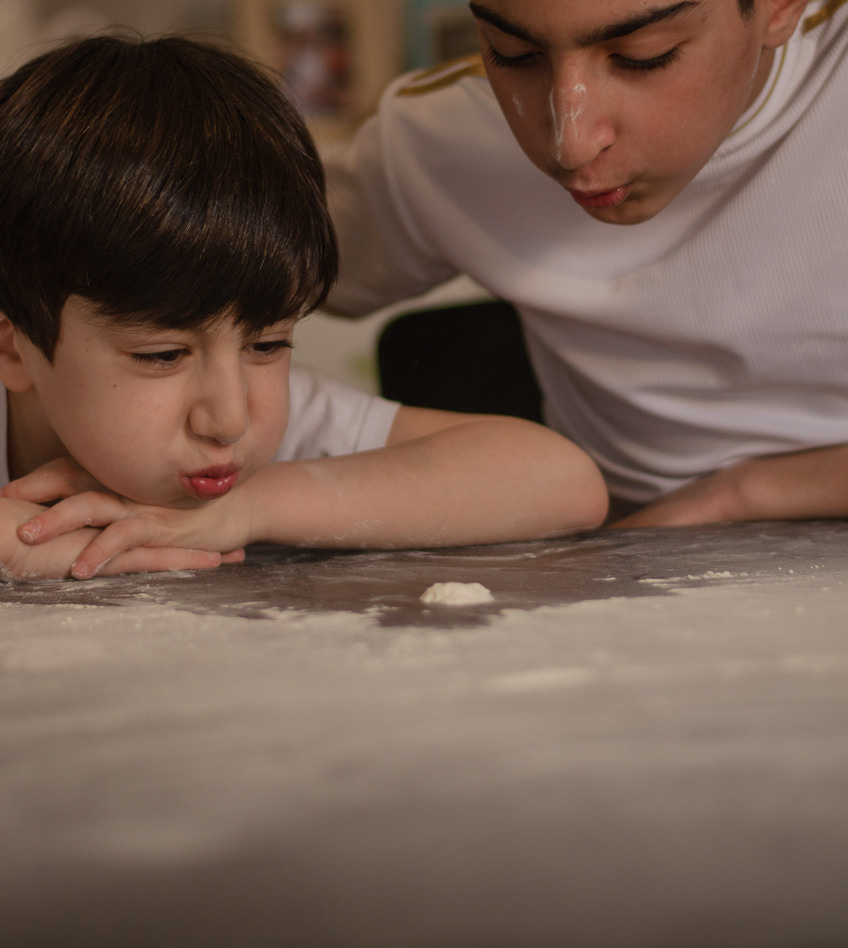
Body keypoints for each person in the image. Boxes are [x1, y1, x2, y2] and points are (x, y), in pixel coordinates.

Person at [325, 0, 848, 526]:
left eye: (642, 57)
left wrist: (743, 494)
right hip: (621, 579)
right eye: (513, 53)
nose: (571, 141)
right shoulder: (436, 141)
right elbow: (162, 290)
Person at [0, 35, 607, 581]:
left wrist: (252, 506)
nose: (229, 418)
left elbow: (564, 482)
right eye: (162, 355)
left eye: (267, 345)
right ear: (12, 346)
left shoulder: (281, 435)